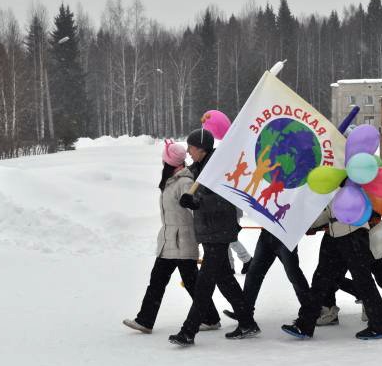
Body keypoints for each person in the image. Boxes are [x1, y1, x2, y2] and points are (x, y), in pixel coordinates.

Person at [170, 129, 259, 346]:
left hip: (219, 231)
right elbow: (193, 176)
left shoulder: (218, 168)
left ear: (202, 148)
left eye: (191, 147)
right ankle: (247, 323)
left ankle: (188, 331)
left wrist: (196, 202)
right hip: (210, 231)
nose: (188, 151)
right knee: (225, 280)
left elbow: (222, 200)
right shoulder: (201, 166)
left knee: (204, 284)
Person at [123, 140, 221, 334]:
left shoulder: (184, 182)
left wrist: (192, 202)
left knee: (191, 283)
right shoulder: (172, 180)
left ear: (170, 162)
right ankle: (145, 320)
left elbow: (195, 204)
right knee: (158, 281)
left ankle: (210, 318)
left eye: (164, 160)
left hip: (182, 241)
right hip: (169, 241)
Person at [281, 204, 382, 341]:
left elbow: (355, 206)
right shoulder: (329, 191)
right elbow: (330, 212)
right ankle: (304, 325)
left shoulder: (350, 189)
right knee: (320, 280)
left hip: (353, 235)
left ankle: (379, 327)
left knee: (363, 280)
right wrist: (309, 224)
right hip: (333, 236)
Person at [315, 211, 382, 326]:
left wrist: (374, 215)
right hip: (341, 229)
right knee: (334, 272)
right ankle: (330, 306)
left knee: (368, 268)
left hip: (356, 228)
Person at [222, 228, 313, 325]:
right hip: (266, 235)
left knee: (293, 274)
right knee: (253, 273)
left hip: (286, 236)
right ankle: (245, 312)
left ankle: (310, 313)